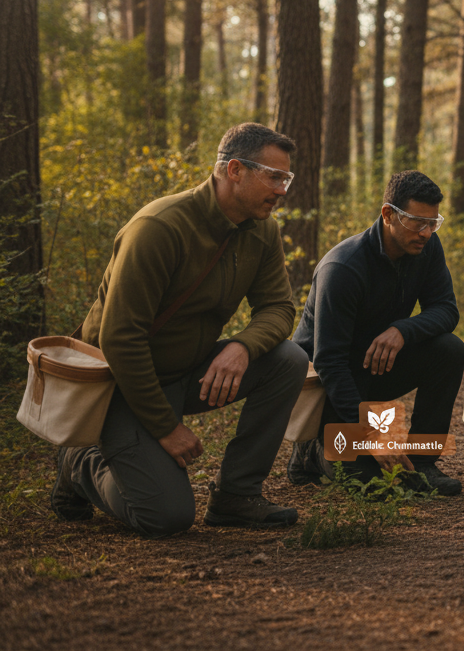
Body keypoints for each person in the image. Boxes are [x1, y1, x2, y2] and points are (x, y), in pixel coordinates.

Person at [49, 123, 310, 537]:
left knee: (288, 359)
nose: (282, 189)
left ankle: (236, 496)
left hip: (188, 373)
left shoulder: (263, 231)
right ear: (235, 171)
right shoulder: (159, 227)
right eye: (274, 176)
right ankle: (79, 464)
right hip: (120, 386)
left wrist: (242, 346)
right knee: (166, 517)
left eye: (286, 178)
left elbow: (278, 307)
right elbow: (120, 337)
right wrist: (166, 429)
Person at [288, 171, 464, 496]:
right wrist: (374, 433)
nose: (426, 233)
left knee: (449, 349)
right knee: (375, 486)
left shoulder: (425, 247)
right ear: (388, 214)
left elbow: (446, 309)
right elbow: (329, 362)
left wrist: (402, 329)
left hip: (375, 369)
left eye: (433, 223)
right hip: (330, 387)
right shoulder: (343, 268)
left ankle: (422, 463)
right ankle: (311, 452)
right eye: (417, 222)